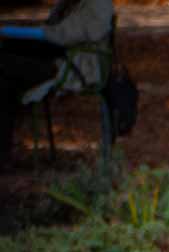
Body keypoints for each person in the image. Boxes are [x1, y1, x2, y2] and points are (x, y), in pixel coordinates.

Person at [0, 0, 112, 168]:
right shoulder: (69, 4)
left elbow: (63, 35)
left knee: (5, 69)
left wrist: (14, 31)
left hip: (71, 68)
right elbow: (53, 30)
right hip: (57, 59)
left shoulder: (98, 4)